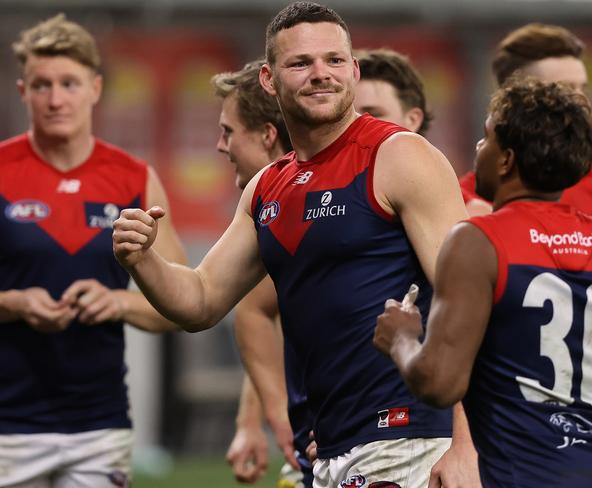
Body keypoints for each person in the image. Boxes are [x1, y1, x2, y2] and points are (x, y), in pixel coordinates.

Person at [113, 2, 478, 487]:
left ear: (353, 69)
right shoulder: (266, 187)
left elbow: (473, 304)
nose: (320, 74)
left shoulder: (400, 156)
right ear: (269, 78)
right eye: (300, 63)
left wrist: (465, 445)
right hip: (328, 450)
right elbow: (200, 300)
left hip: (411, 443)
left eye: (332, 61)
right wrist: (142, 258)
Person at [375, 77, 592, 487]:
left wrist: (401, 338)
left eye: (485, 138)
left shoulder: (477, 241)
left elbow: (438, 383)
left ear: (506, 159)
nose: (477, 149)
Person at [458, 23, 592, 484]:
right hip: (511, 431)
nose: (577, 102)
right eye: (563, 89)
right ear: (512, 99)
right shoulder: (469, 205)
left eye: (583, 89)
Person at [0, 14, 186, 488]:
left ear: (96, 88)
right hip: (8, 429)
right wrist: (15, 304)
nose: (56, 99)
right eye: (42, 85)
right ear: (23, 91)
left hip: (99, 426)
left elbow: (185, 303)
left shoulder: (132, 177)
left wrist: (118, 302)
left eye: (69, 83)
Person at [211, 59, 311, 487]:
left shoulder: (319, 199)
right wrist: (259, 417)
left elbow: (256, 306)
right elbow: (261, 309)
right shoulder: (272, 205)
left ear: (268, 135)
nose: (220, 145)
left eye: (229, 131)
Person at [355, 48, 491, 217]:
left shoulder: (471, 215)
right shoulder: (322, 196)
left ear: (412, 120)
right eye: (350, 116)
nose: (358, 125)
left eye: (374, 114)